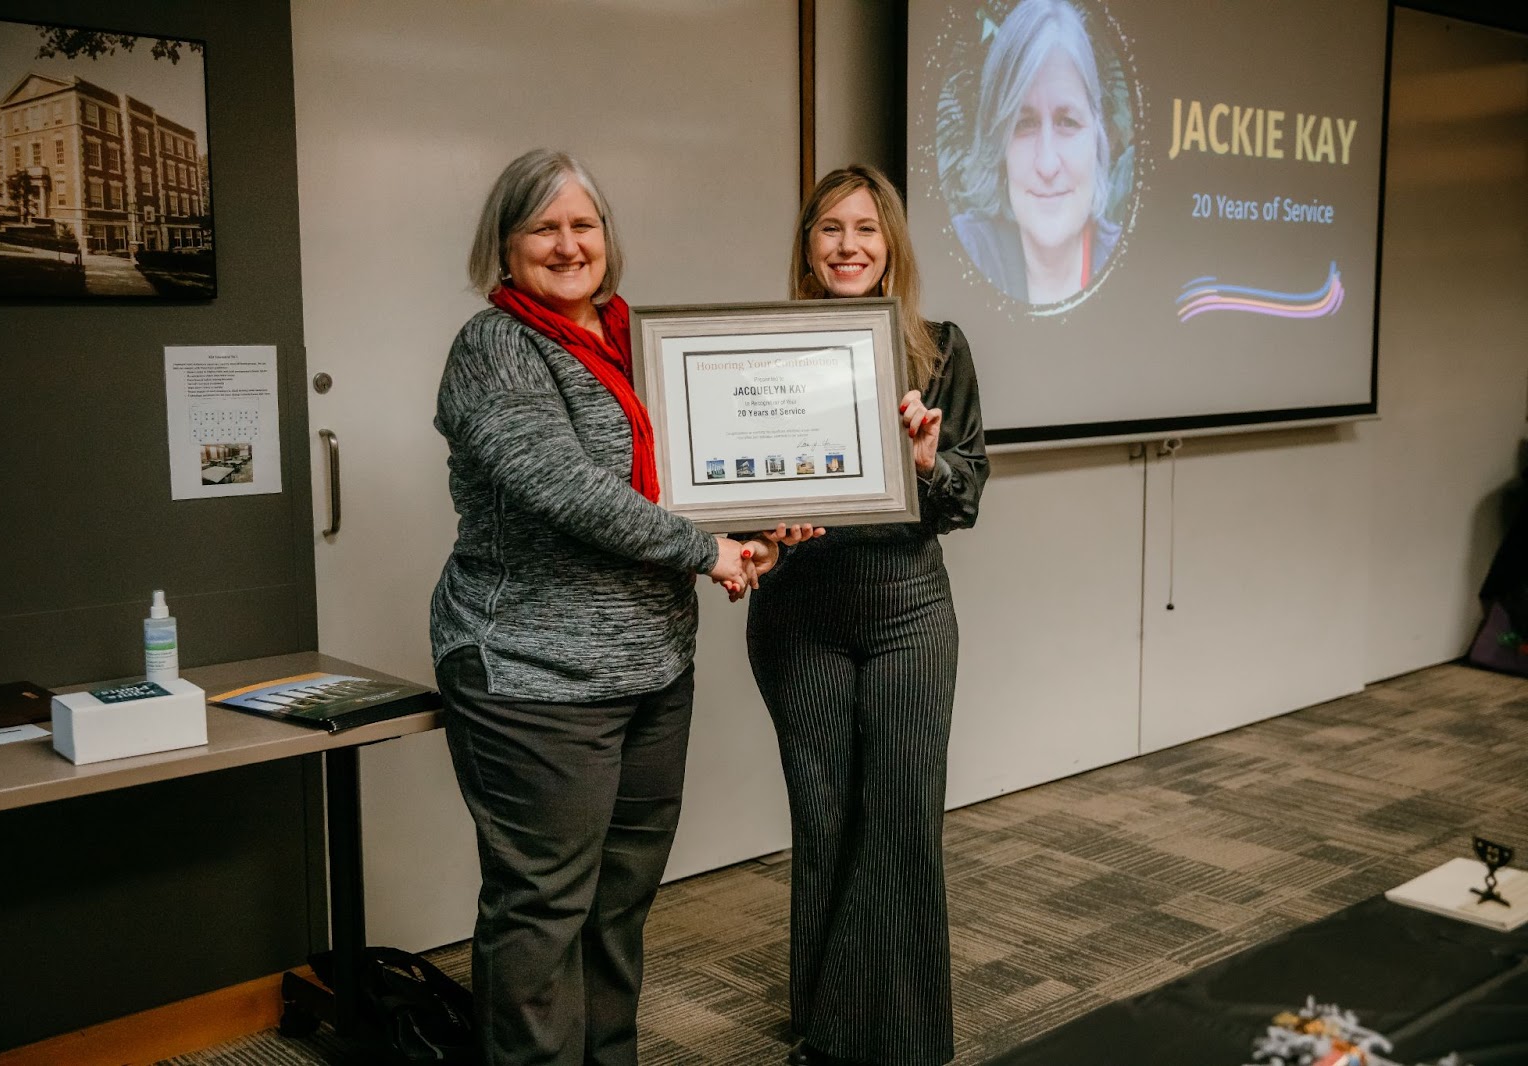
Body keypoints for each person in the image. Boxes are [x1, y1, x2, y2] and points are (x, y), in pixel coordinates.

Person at [430, 148, 775, 1066]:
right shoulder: (496, 346)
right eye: (543, 226)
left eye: (584, 224)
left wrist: (766, 516)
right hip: (536, 673)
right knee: (543, 910)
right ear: (504, 248)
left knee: (620, 902)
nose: (568, 243)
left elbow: (697, 470)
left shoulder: (640, 340)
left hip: (654, 663)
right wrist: (708, 550)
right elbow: (567, 488)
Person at [746, 165, 988, 1066]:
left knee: (901, 817)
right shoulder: (762, 350)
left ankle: (894, 1040)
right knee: (826, 821)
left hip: (907, 612)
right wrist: (769, 523)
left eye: (866, 229)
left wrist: (928, 463)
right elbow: (737, 491)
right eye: (830, 230)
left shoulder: (943, 351)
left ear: (892, 245)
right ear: (807, 248)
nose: (848, 246)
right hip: (798, 613)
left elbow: (965, 498)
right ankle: (823, 1018)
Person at [953, 0, 1120, 305]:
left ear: (1097, 133)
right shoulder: (964, 249)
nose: (1046, 164)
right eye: (1024, 124)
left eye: (1068, 122)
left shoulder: (1128, 261)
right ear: (998, 144)